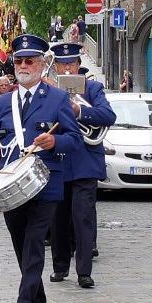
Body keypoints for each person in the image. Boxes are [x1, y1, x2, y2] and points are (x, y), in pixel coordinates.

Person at [0, 35, 81, 303]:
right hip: (10, 185)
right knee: (20, 245)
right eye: (19, 61)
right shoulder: (2, 103)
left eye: (30, 60)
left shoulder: (56, 99)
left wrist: (54, 140)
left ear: (41, 65)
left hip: (45, 183)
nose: (24, 65)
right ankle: (38, 297)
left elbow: (76, 140)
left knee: (33, 244)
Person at [47, 43, 115, 289]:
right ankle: (60, 267)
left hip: (85, 163)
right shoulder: (49, 91)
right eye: (62, 63)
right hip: (59, 162)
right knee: (58, 220)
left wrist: (78, 112)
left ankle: (84, 272)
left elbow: (109, 116)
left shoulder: (93, 88)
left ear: (78, 65)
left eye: (71, 63)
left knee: (83, 218)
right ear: (56, 66)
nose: (67, 67)